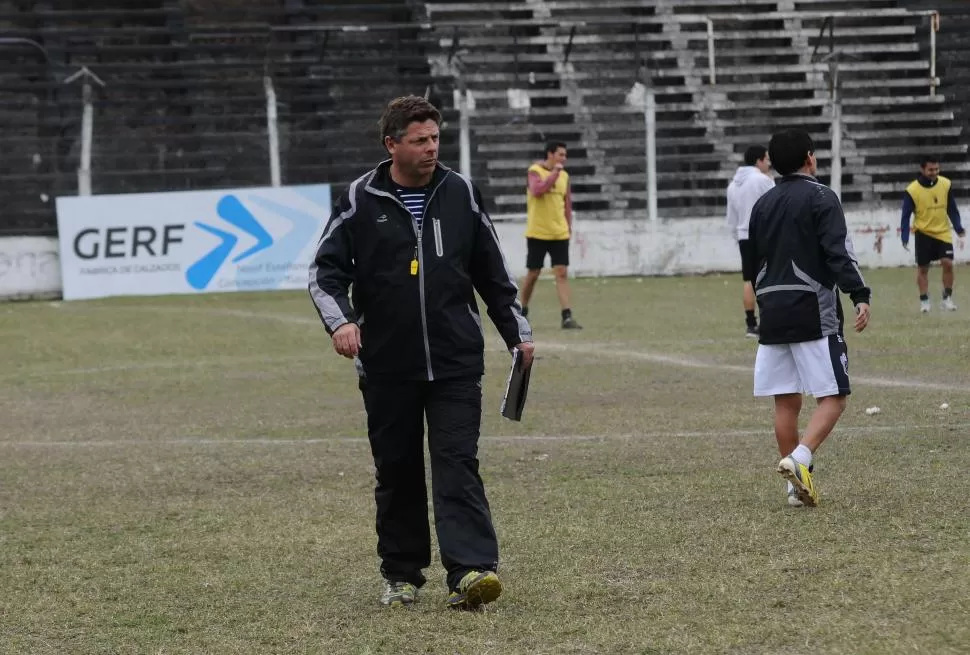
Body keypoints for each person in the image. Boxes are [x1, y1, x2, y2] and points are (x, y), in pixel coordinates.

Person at [308, 95, 534, 610]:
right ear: (392, 145)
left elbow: (492, 274)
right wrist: (341, 322)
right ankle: (402, 574)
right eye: (419, 140)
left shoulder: (460, 193)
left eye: (435, 138)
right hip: (387, 364)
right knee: (398, 468)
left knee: (458, 461)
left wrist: (516, 332)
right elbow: (324, 274)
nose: (431, 148)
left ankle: (472, 569)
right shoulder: (359, 198)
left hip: (456, 361)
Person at [743, 129, 871, 508]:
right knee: (834, 397)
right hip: (813, 310)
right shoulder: (821, 197)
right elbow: (838, 253)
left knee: (786, 401)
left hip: (772, 311)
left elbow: (750, 264)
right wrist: (859, 294)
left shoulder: (762, 205)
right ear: (810, 158)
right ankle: (800, 460)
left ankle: (794, 490)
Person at [519, 141, 582, 329]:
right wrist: (554, 173)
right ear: (550, 154)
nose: (564, 158)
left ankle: (567, 316)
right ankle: (522, 311)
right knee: (533, 273)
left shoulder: (565, 176)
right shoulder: (535, 171)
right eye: (561, 154)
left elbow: (567, 203)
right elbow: (538, 191)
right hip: (538, 232)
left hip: (559, 233)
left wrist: (568, 226)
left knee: (561, 273)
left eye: (565, 155)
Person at [900, 156, 966, 312]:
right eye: (931, 169)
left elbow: (952, 208)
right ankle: (924, 301)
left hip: (943, 232)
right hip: (923, 233)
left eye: (937, 169)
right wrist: (904, 236)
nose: (934, 172)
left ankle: (947, 299)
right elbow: (905, 215)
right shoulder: (912, 190)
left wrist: (958, 228)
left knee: (948, 263)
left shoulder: (945, 184)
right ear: (922, 169)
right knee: (923, 269)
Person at [726, 144, 775, 338]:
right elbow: (776, 204)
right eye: (767, 160)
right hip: (762, 236)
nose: (769, 164)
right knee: (769, 277)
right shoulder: (762, 180)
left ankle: (750, 324)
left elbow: (731, 218)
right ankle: (768, 321)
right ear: (759, 160)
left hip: (743, 236)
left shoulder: (733, 185)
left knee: (749, 279)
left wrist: (737, 235)